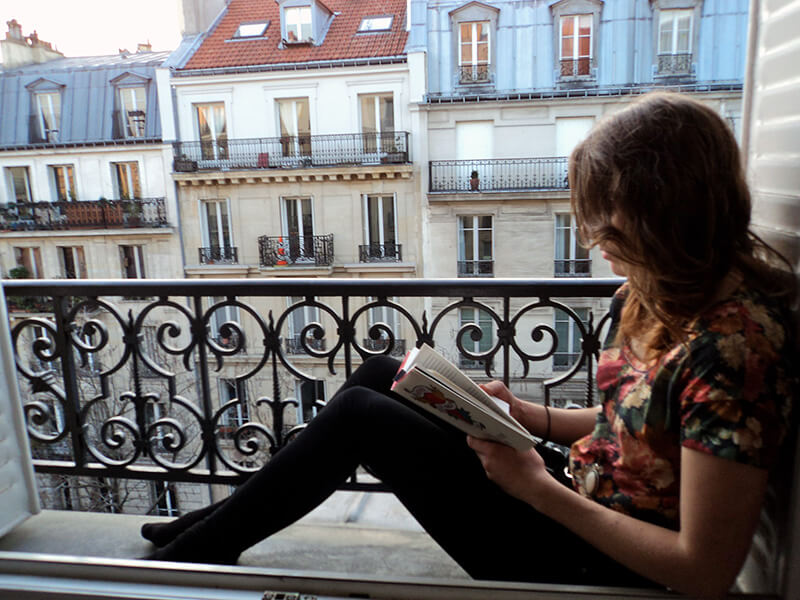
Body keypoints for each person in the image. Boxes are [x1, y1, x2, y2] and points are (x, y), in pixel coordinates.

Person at [141, 92, 796, 599]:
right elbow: (636, 423)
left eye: (612, 218)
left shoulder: (736, 355)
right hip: (574, 498)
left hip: (604, 566)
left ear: (672, 212)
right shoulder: (658, 290)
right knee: (382, 373)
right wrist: (528, 415)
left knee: (362, 417)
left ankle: (203, 550)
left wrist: (537, 489)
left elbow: (702, 570)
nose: (594, 237)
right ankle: (212, 527)